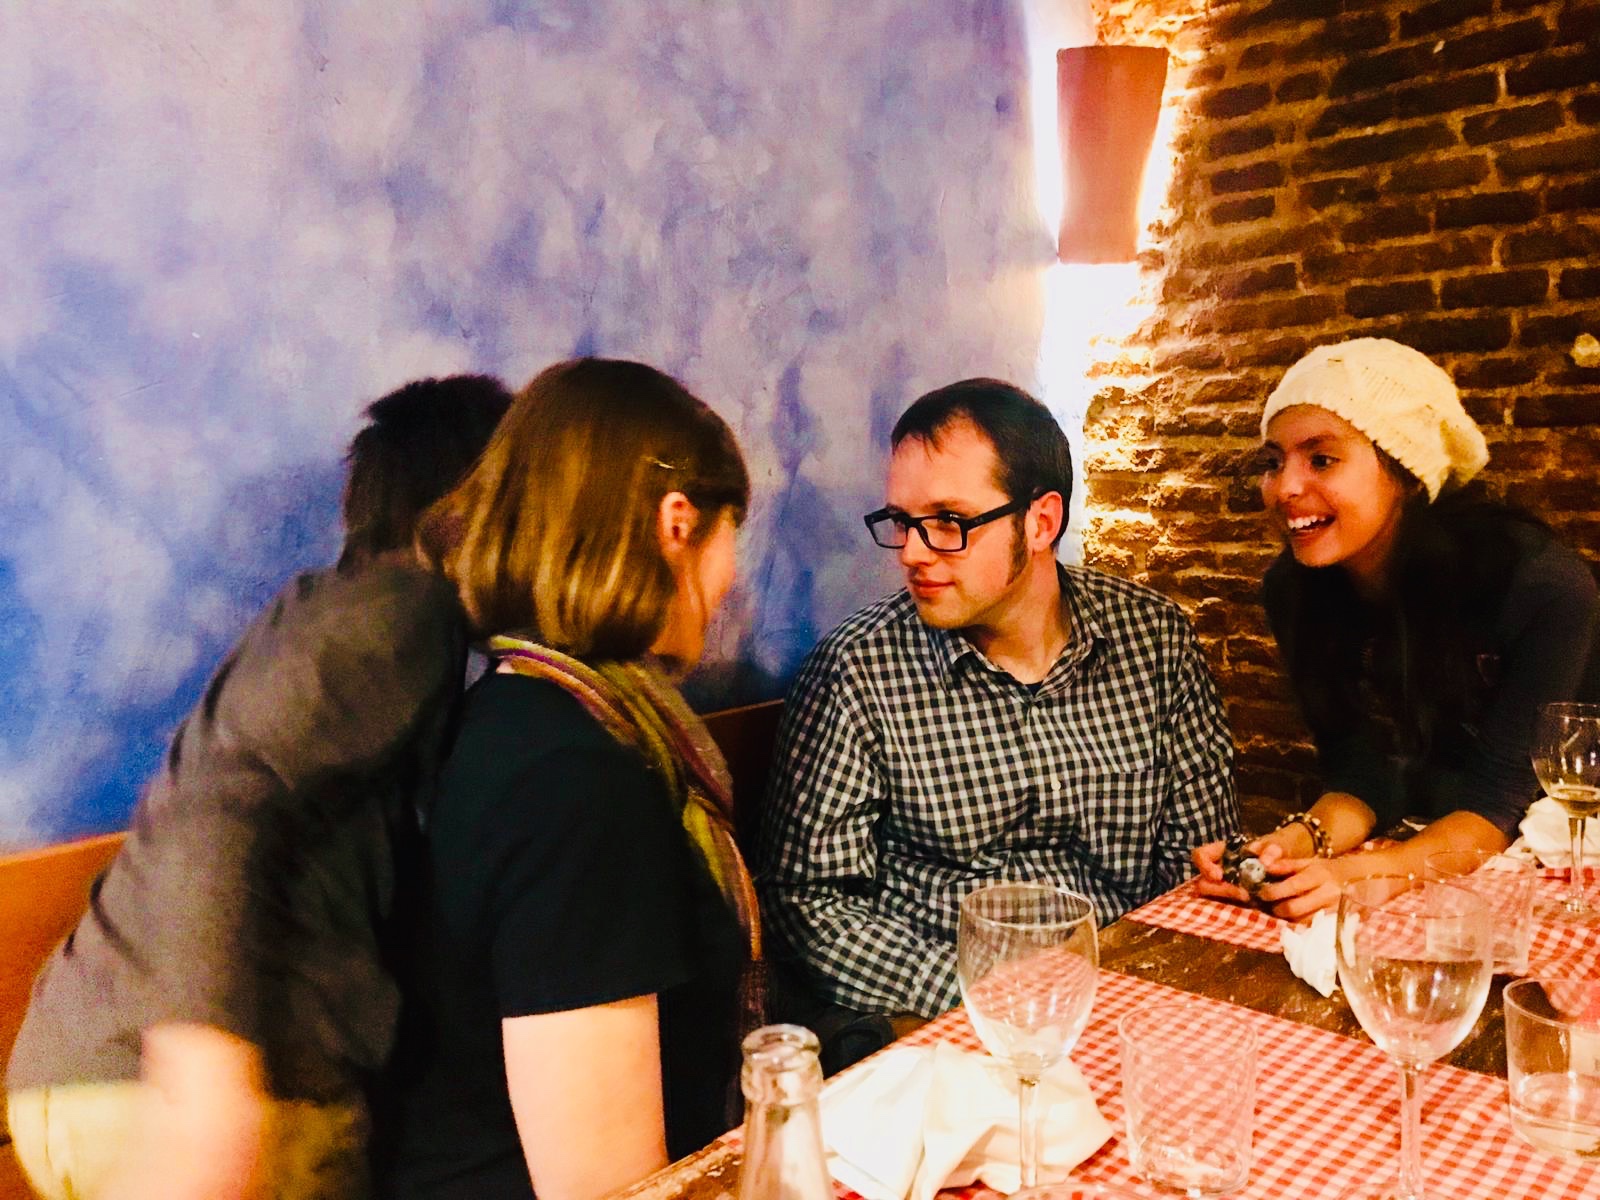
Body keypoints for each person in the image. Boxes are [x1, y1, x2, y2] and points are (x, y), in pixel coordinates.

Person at [4, 374, 511, 1200]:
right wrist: (206, 1068)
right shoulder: (404, 613)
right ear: (474, 509)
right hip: (205, 1085)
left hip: (86, 1068)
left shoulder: (326, 612)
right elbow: (220, 804)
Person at [375, 358, 759, 1200]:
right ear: (677, 523)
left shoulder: (524, 712)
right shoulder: (574, 779)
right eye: (733, 533)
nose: (732, 577)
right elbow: (606, 1188)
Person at [755, 378, 1238, 1024]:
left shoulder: (1154, 640)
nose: (912, 553)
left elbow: (1198, 863)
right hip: (948, 1023)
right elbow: (806, 907)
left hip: (1134, 997)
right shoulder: (857, 670)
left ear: (1041, 522)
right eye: (902, 522)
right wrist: (989, 994)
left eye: (948, 522)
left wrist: (1130, 994)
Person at [1193, 337, 1600, 919]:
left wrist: (1352, 875)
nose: (1284, 488)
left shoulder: (1539, 586)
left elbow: (1496, 805)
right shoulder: (1295, 588)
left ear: (1406, 471)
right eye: (1274, 461)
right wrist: (1285, 849)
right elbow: (1360, 774)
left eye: (1321, 460)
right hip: (1444, 849)